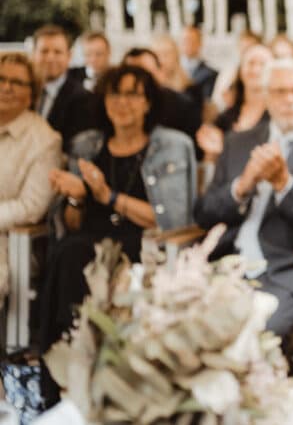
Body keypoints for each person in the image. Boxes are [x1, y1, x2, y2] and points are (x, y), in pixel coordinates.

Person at [38, 64, 196, 406]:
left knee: (75, 255)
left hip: (142, 249)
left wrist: (108, 196)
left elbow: (172, 222)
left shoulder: (171, 146)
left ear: (148, 102)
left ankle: (73, 368)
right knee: (72, 249)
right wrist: (77, 197)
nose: (122, 102)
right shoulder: (86, 145)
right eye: (115, 93)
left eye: (132, 94)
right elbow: (73, 222)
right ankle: (69, 372)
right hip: (86, 245)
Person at [194, 58, 293, 338]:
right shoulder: (239, 141)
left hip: (284, 271)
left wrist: (285, 185)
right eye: (280, 91)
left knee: (257, 333)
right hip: (224, 265)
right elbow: (203, 214)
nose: (290, 99)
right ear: (266, 96)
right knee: (179, 326)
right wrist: (242, 185)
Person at [0, 54, 61, 301]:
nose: (6, 87)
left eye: (16, 82)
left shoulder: (45, 140)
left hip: (8, 242)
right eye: (1, 79)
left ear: (32, 92)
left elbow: (31, 208)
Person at [196, 44, 273, 167]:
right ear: (241, 70)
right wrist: (211, 150)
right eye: (251, 63)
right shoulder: (225, 117)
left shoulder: (279, 116)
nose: (256, 69)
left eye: (262, 64)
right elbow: (210, 163)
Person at [32, 24, 96, 151]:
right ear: (34, 54)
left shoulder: (85, 99)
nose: (50, 58)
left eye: (57, 52)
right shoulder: (23, 93)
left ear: (69, 56)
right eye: (44, 51)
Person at [123, 47, 202, 143]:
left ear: (161, 73)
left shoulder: (184, 107)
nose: (137, 83)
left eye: (145, 74)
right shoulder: (115, 107)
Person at [180, 25, 219, 101]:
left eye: (192, 40)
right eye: (185, 40)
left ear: (200, 43)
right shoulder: (170, 70)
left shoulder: (211, 74)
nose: (188, 44)